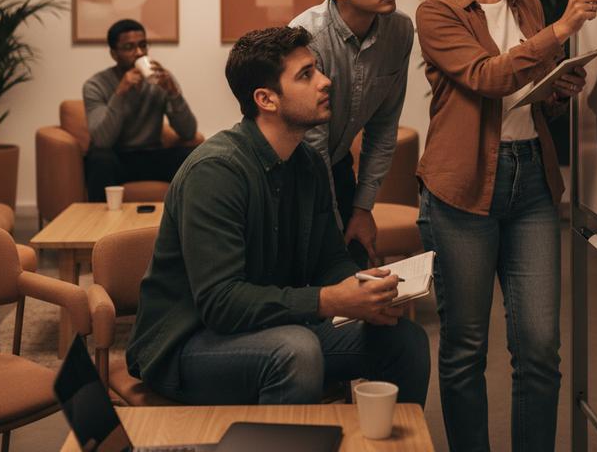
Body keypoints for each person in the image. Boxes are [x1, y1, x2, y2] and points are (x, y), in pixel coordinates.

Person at [126, 26, 429, 406]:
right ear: (266, 99)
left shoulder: (309, 163)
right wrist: (330, 300)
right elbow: (221, 303)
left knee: (406, 339)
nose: (325, 81)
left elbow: (329, 260)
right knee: (296, 350)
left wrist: (367, 288)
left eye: (317, 69)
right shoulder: (216, 171)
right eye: (306, 74)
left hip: (277, 326)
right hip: (189, 342)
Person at [415, 0, 597, 452]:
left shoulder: (525, 0)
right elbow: (485, 77)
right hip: (461, 187)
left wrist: (557, 87)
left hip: (531, 181)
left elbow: (523, 88)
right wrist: (562, 32)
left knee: (540, 349)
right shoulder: (435, 11)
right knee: (466, 348)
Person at [290, 0, 414, 267]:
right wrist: (331, 224)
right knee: (314, 280)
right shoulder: (307, 37)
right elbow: (310, 146)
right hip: (290, 171)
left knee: (358, 272)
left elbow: (384, 126)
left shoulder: (399, 30)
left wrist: (362, 209)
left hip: (338, 163)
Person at [82, 19, 197, 202]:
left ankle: (192, 223)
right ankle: (100, 225)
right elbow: (102, 140)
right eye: (129, 47)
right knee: (98, 159)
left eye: (143, 45)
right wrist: (120, 93)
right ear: (114, 54)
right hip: (117, 157)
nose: (139, 53)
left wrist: (173, 93)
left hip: (152, 155)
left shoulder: (160, 80)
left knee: (195, 155)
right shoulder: (95, 85)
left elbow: (188, 131)